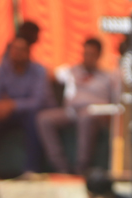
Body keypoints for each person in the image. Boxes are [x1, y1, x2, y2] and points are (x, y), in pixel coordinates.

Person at [0, 36, 53, 179]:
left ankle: (31, 170)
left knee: (34, 117)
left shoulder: (39, 70)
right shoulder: (1, 69)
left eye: (22, 50)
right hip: (9, 114)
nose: (18, 53)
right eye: (15, 49)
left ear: (28, 52)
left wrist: (13, 105)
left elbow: (38, 101)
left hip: (30, 113)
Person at [37, 38, 120, 175]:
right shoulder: (71, 71)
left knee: (85, 117)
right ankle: (61, 168)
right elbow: (49, 74)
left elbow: (117, 102)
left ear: (99, 55)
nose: (87, 57)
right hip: (71, 111)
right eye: (85, 53)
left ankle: (81, 168)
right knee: (44, 119)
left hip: (95, 113)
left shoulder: (108, 77)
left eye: (92, 54)